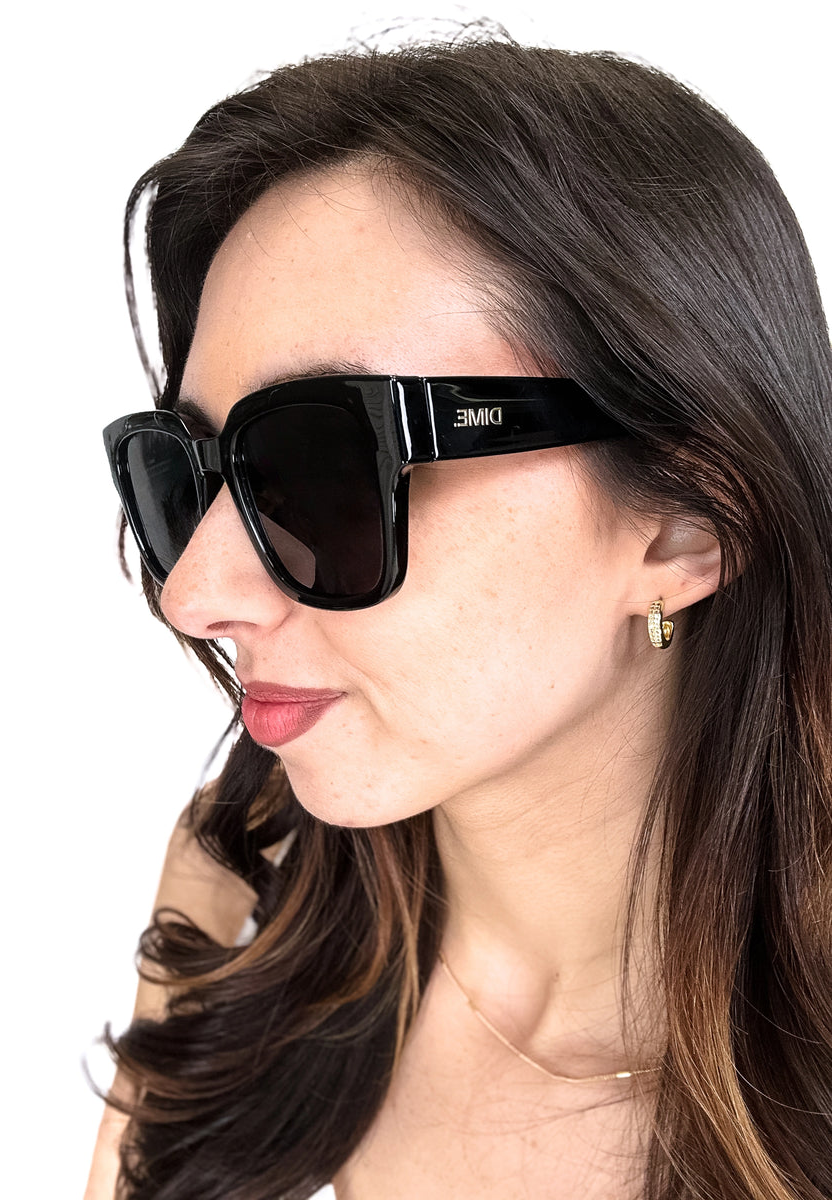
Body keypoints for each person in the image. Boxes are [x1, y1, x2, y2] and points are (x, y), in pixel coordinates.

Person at [88, 37, 832, 1200]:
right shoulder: (244, 891)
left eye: (325, 471)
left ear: (688, 528)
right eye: (191, 474)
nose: (195, 593)